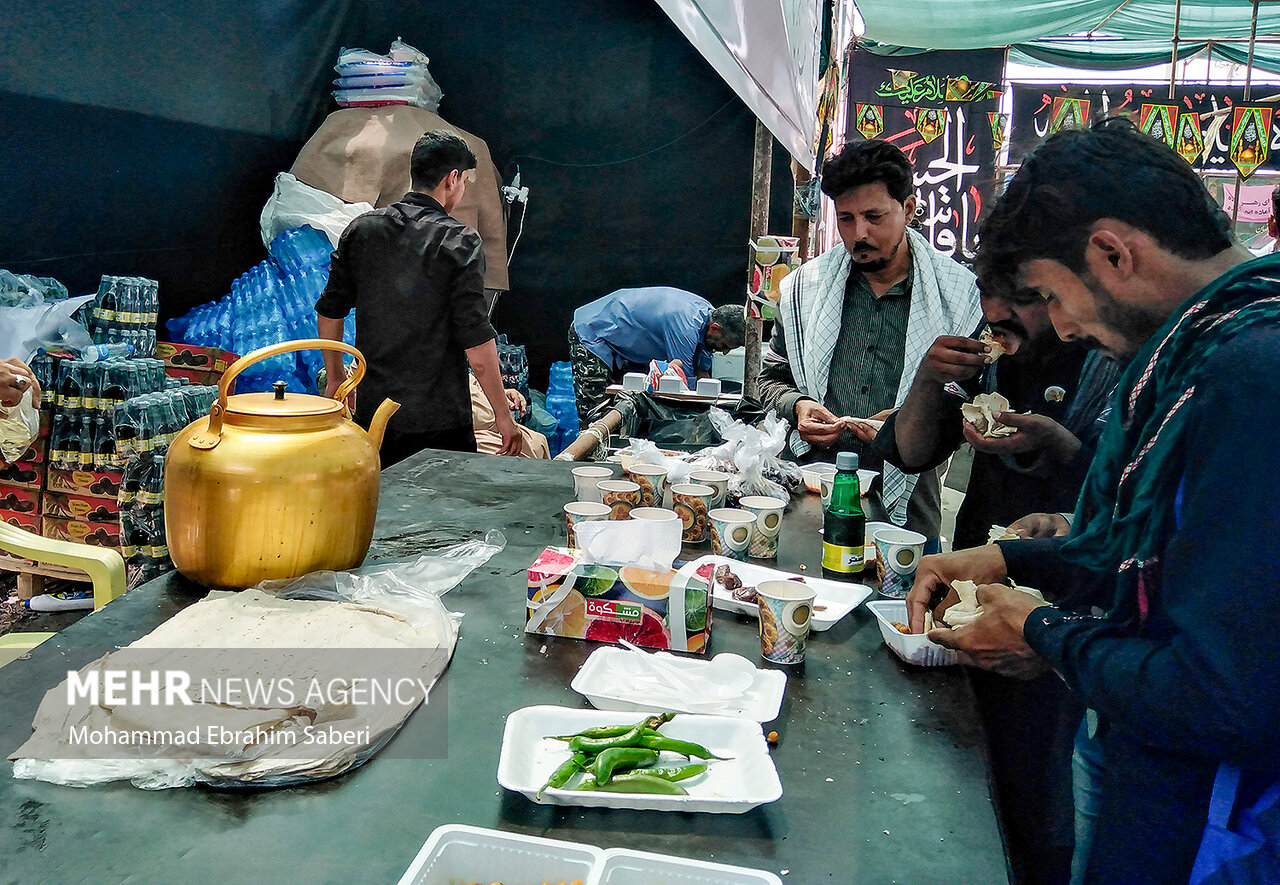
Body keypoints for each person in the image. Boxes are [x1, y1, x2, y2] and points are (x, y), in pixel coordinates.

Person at [908, 119, 1280, 884]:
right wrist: (1012, 555)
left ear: (1114, 252)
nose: (1064, 327)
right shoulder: (1197, 358)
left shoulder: (1252, 378)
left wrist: (1044, 632)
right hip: (1152, 790)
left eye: (1050, 294)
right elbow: (1164, 567)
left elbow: (1226, 694)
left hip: (1206, 831)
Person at [873, 284, 1118, 885]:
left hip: (1071, 628)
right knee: (971, 778)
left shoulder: (1116, 365)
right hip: (983, 598)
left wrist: (1057, 446)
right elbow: (908, 451)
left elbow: (1126, 511)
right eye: (988, 293)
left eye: (1026, 295)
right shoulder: (989, 363)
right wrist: (931, 380)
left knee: (1042, 801)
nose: (996, 314)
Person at [758, 139, 982, 548]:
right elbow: (770, 379)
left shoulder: (961, 297)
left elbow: (974, 406)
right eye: (846, 219)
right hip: (808, 494)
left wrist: (908, 418)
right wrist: (799, 405)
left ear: (909, 209)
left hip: (908, 507)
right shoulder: (803, 290)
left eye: (874, 217)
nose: (859, 234)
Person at [316, 130, 520, 468]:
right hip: (439, 423)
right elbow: (476, 341)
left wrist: (337, 379)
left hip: (376, 416)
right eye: (465, 181)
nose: (463, 188)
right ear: (452, 179)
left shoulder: (362, 230)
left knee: (378, 510)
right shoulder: (460, 242)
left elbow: (330, 310)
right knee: (443, 514)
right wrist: (502, 416)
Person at [568, 287, 745, 423]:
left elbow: (704, 356)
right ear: (715, 328)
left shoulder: (709, 314)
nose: (725, 352)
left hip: (623, 339)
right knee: (595, 413)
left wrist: (705, 374)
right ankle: (591, 463)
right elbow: (682, 383)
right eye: (725, 345)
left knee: (625, 407)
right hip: (594, 331)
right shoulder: (684, 325)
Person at [469, 377, 549, 458]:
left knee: (538, 441)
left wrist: (502, 394)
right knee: (514, 458)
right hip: (472, 432)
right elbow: (481, 367)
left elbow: (474, 384)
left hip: (493, 424)